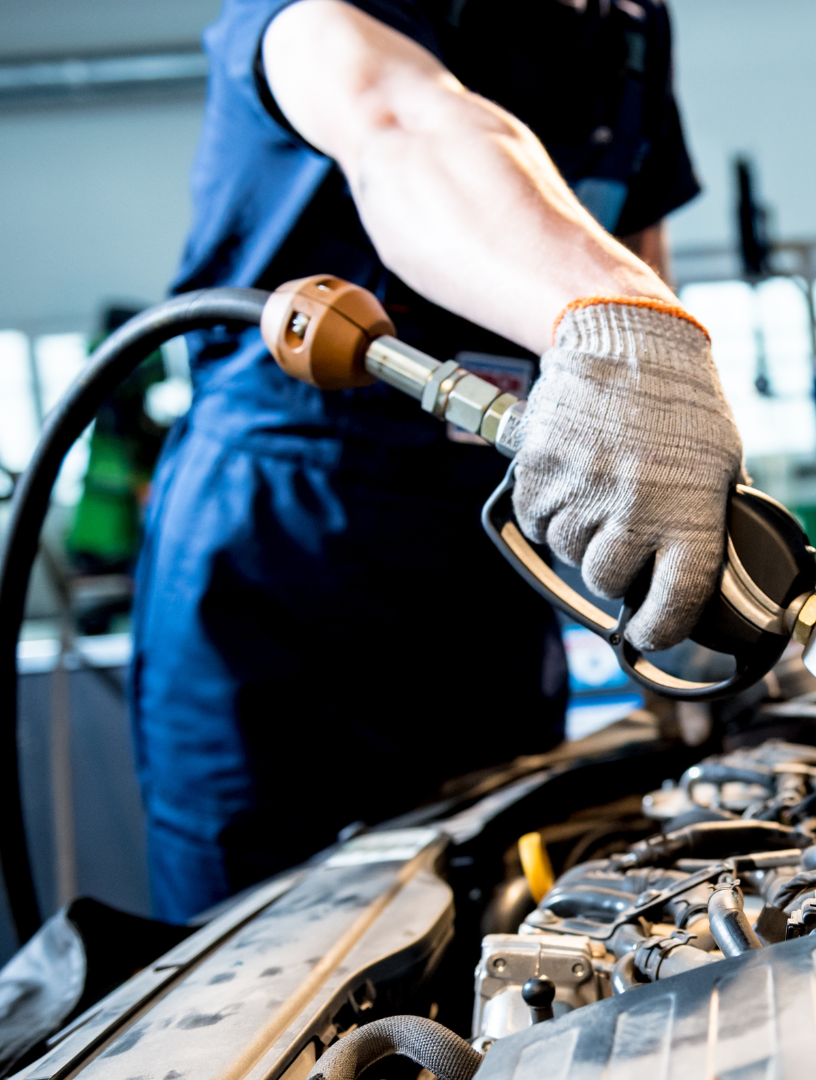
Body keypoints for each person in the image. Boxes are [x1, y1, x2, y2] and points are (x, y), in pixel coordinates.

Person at [131, 0, 743, 922]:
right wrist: (622, 332)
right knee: (254, 953)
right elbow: (402, 123)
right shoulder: (330, 15)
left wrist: (682, 454)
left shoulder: (632, 28)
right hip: (281, 544)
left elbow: (639, 263)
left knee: (494, 910)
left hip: (488, 543)